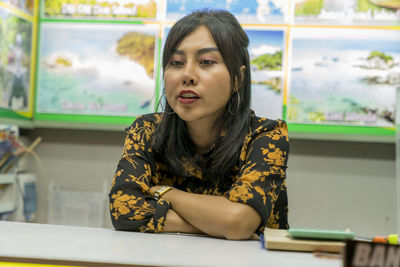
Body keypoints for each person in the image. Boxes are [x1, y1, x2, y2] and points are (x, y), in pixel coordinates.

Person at [109, 9, 289, 240]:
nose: (187, 74)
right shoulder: (146, 131)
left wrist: (167, 194)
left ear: (238, 79)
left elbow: (239, 221)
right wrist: (218, 223)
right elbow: (124, 211)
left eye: (206, 62)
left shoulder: (266, 136)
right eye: (176, 62)